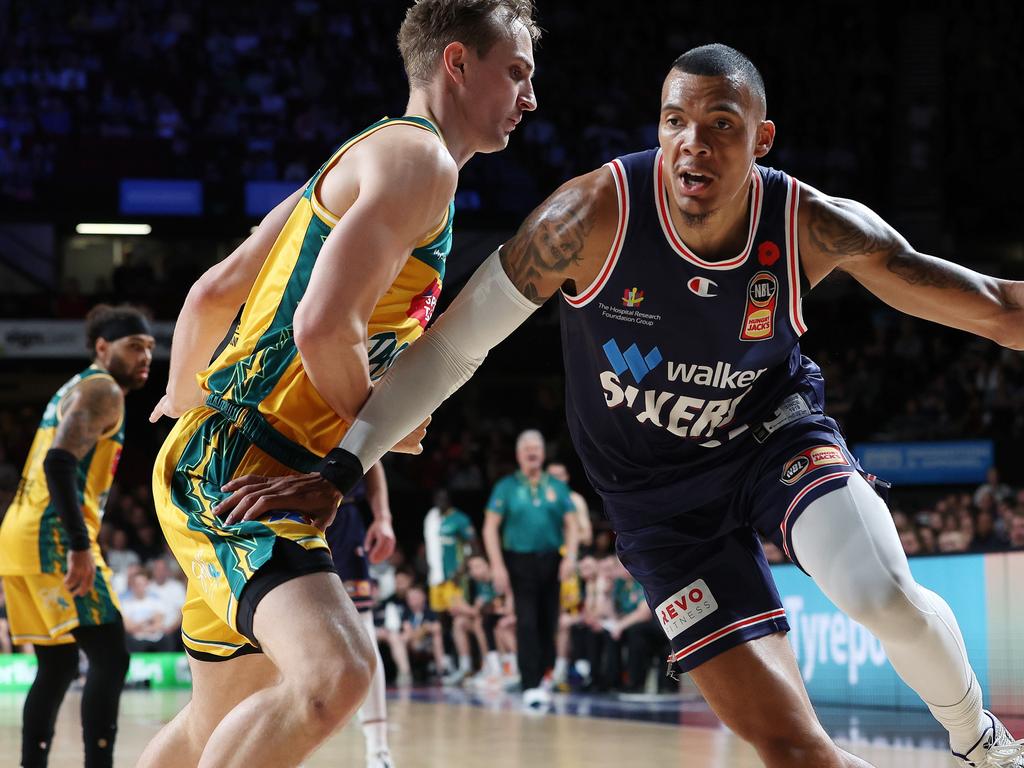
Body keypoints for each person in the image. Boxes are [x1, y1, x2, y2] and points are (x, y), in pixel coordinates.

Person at [221, 43, 1024, 767]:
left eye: (720, 124)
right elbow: (458, 346)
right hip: (654, 506)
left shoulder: (811, 226)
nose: (693, 143)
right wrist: (343, 462)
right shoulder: (587, 218)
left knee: (878, 592)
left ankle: (981, 744)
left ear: (762, 141)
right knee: (790, 747)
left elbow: (993, 304)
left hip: (772, 439)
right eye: (676, 120)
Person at [141, 2, 539, 765]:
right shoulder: (420, 162)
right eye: (516, 73)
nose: (530, 99)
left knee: (213, 723)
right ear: (457, 63)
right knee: (340, 673)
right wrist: (379, 422)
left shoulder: (359, 158)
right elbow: (323, 327)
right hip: (246, 466)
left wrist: (183, 412)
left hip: (231, 463)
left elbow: (214, 290)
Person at [0, 304, 153, 768]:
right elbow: (59, 462)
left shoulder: (78, 387)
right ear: (103, 348)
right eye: (134, 347)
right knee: (111, 657)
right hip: (52, 536)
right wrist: (80, 546)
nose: (145, 355)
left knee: (59, 664)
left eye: (149, 347)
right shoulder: (103, 389)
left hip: (19, 535)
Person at [481, 429, 578, 707]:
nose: (532, 452)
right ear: (518, 455)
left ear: (543, 453)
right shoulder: (506, 487)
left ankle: (545, 675)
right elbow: (490, 528)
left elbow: (571, 524)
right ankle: (530, 682)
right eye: (527, 448)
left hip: (551, 560)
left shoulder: (557, 487)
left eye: (536, 447)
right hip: (518, 561)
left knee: (549, 621)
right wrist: (497, 566)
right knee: (525, 621)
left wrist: (570, 557)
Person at [323, 462, 399, 768]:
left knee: (364, 632)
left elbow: (376, 456)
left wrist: (383, 517)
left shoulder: (348, 412)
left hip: (343, 515)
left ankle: (378, 749)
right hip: (286, 514)